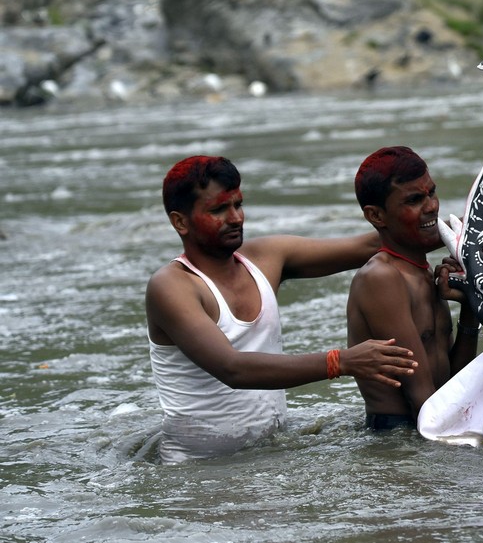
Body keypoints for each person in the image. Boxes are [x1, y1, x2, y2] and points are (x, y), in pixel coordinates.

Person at [146, 155, 417, 465]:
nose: (235, 218)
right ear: (180, 221)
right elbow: (232, 368)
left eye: (239, 204)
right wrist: (340, 362)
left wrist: (463, 231)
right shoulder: (171, 286)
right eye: (219, 210)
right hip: (195, 471)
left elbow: (376, 245)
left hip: (269, 455)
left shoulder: (266, 257)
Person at [346, 146, 482, 430]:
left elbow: (455, 384)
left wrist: (470, 306)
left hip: (426, 426)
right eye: (414, 199)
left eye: (431, 193)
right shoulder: (381, 278)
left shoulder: (422, 273)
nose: (431, 206)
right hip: (398, 438)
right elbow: (422, 400)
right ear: (376, 216)